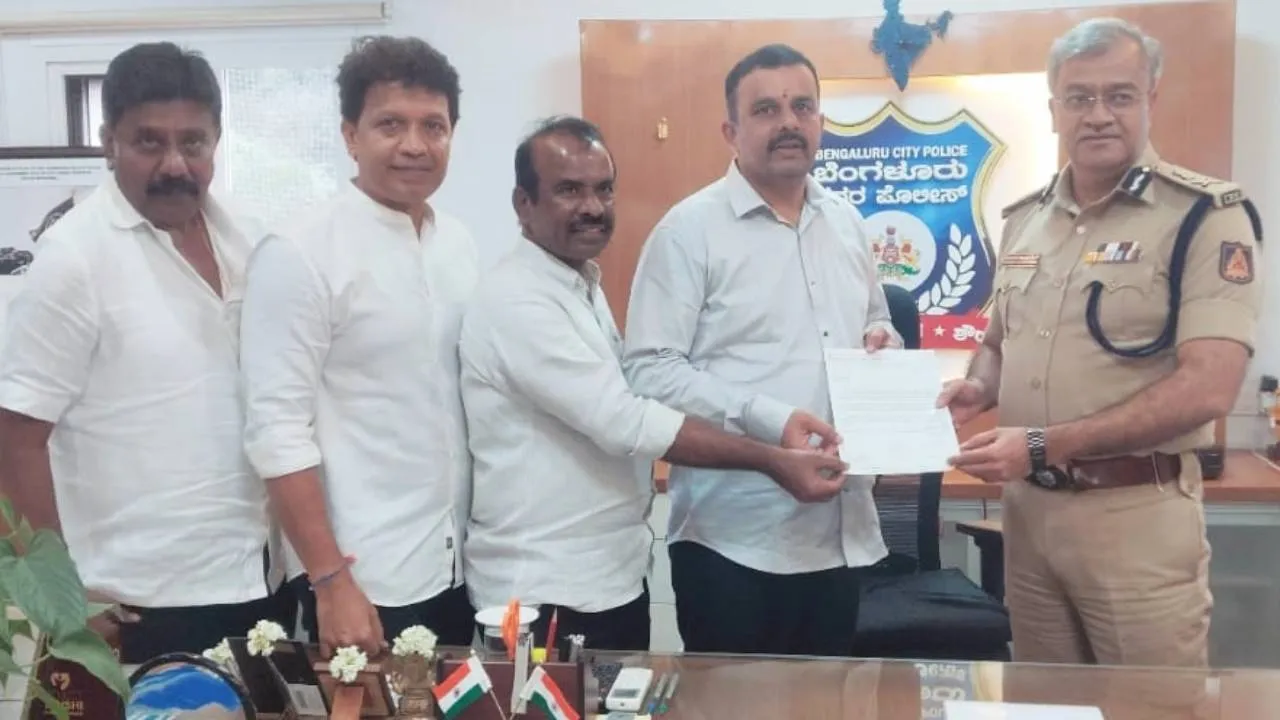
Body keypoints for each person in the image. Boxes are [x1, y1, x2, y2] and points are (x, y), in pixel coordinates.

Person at [459, 115, 851, 654]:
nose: (592, 207)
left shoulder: (578, 282)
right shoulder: (517, 300)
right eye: (569, 190)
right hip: (542, 591)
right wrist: (770, 458)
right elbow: (624, 421)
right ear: (523, 204)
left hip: (609, 578)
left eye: (604, 189)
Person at [941, 17, 1263, 669]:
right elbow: (999, 342)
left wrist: (1044, 443)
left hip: (1135, 520)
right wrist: (978, 385)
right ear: (1053, 108)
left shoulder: (1204, 216)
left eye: (1119, 95)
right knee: (1047, 703)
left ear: (1150, 99)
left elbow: (1209, 386)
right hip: (1029, 520)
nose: (1098, 115)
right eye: (1079, 97)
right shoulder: (1025, 219)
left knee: (1151, 706)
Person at [0, 42, 292, 663]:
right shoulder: (73, 258)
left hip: (256, 578)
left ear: (217, 141)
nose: (175, 164)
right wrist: (63, 599)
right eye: (149, 142)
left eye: (193, 142)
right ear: (109, 142)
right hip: (135, 599)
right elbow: (14, 435)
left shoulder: (251, 239)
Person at [622, 44, 901, 657]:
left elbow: (876, 319)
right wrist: (767, 418)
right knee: (732, 700)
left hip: (839, 534)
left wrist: (883, 340)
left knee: (827, 699)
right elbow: (647, 372)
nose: (788, 122)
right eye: (767, 109)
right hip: (732, 543)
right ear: (731, 131)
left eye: (802, 106)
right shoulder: (687, 232)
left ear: (821, 120)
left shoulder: (847, 222)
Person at [239, 36, 479, 657]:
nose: (415, 145)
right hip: (362, 577)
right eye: (390, 124)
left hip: (456, 564)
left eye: (433, 126)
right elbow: (276, 431)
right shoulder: (300, 252)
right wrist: (330, 580)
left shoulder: (458, 244)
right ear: (350, 135)